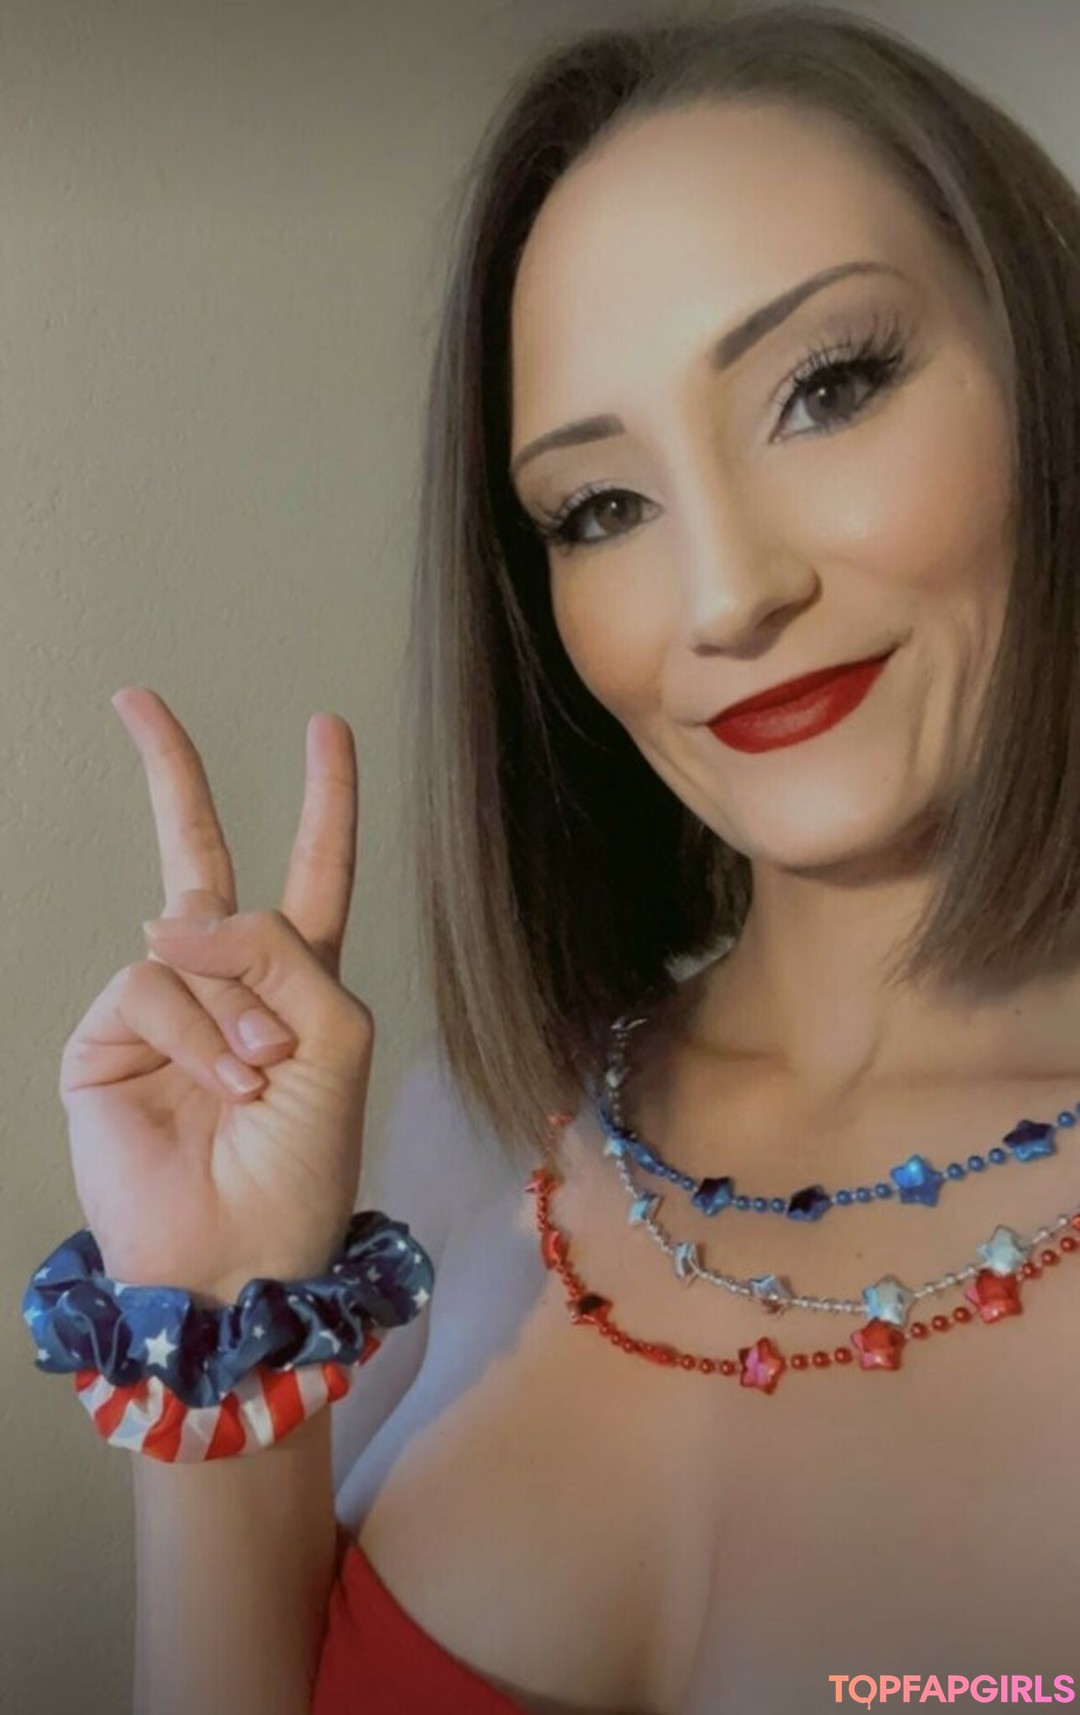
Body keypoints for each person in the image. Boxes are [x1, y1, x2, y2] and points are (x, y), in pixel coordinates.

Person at [22, 5, 1080, 1712]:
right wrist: (216, 1311)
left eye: (826, 390)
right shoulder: (471, 1133)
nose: (726, 595)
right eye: (599, 507)